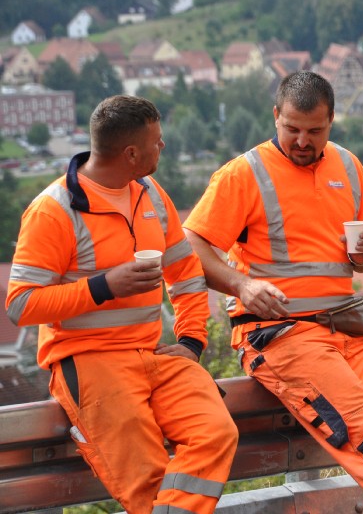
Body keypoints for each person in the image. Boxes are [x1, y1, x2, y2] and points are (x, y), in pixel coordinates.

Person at [183, 71, 363, 514]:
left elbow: (362, 260)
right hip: (281, 334)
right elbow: (190, 248)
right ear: (275, 117)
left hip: (347, 329)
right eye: (291, 128)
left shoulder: (349, 167)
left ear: (331, 121)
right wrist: (241, 284)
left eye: (314, 131)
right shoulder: (244, 174)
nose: (302, 140)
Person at [5, 95, 238, 514]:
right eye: (157, 142)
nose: (162, 147)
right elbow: (20, 305)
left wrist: (190, 342)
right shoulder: (53, 211)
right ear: (131, 153)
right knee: (146, 484)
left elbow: (185, 274)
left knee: (217, 433)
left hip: (154, 356)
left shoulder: (149, 193)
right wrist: (102, 287)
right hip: (90, 364)